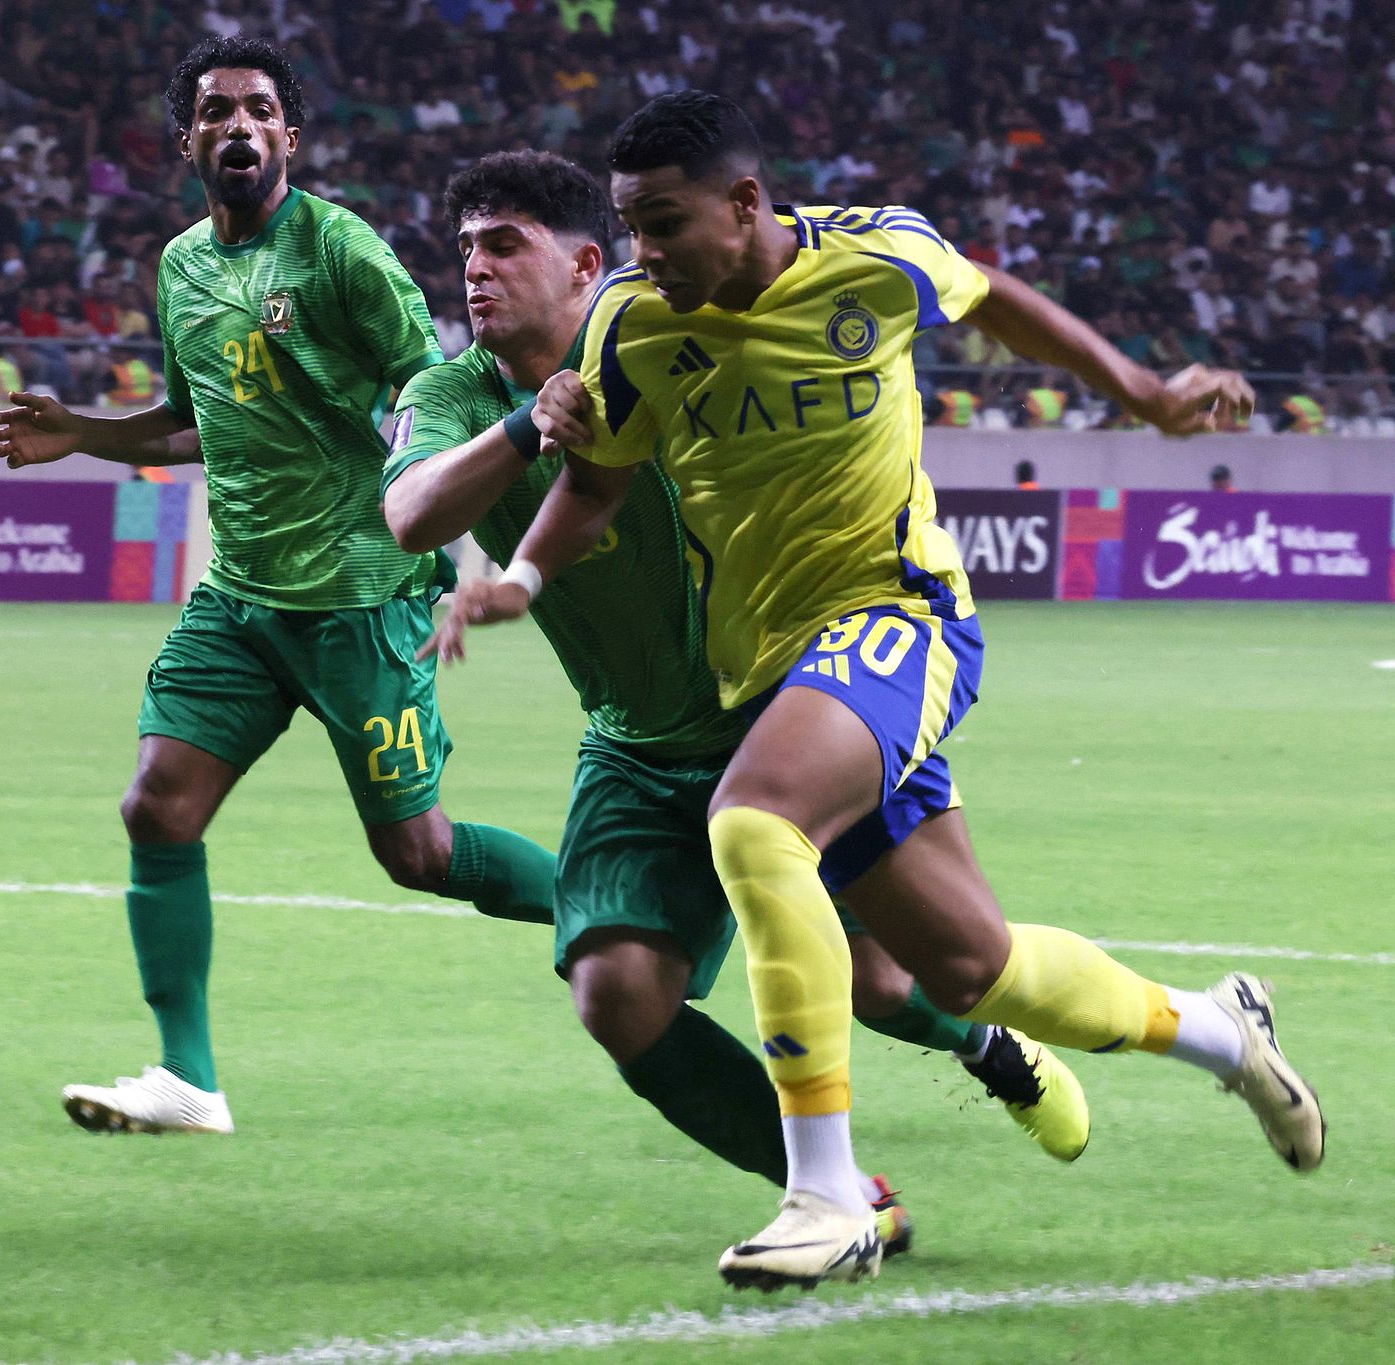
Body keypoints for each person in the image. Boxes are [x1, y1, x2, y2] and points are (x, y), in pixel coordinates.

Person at [442, 93, 1322, 1291]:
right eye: (631, 227)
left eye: (663, 222)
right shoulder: (633, 323)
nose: (643, 252)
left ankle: (825, 1194)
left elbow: (995, 299)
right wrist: (524, 572)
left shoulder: (873, 255)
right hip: (770, 668)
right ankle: (1223, 1032)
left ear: (744, 203)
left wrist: (1138, 392)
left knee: (752, 824)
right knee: (967, 969)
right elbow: (595, 481)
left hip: (899, 615)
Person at [382, 151, 1089, 1227]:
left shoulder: (672, 343)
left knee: (886, 986)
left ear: (584, 264)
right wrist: (530, 423)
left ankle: (994, 1047)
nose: (473, 269)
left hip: (782, 708)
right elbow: (409, 515)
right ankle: (840, 1196)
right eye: (465, 248)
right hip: (633, 741)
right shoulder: (448, 395)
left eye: (503, 245)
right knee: (616, 998)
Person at [0, 37, 560, 1137]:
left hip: (358, 593)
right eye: (216, 110)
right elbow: (200, 415)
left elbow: (431, 385)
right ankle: (187, 1080)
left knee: (419, 856)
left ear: (287, 137)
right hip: (241, 600)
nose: (237, 124)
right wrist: (81, 437)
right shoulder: (181, 266)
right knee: (156, 806)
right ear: (189, 138)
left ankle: (622, 913)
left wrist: (459, 543)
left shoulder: (340, 250)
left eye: (257, 109)